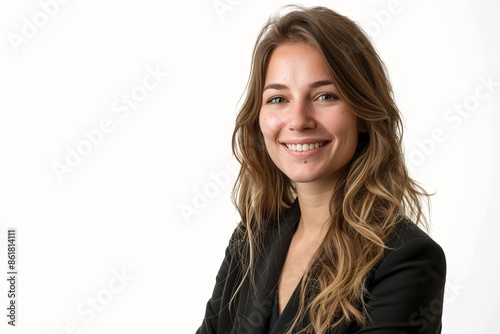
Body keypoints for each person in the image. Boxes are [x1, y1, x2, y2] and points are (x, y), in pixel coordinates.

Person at [196, 5, 446, 334]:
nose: (299, 120)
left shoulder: (407, 260)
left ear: (364, 115)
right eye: (277, 99)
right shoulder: (251, 241)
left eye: (325, 96)